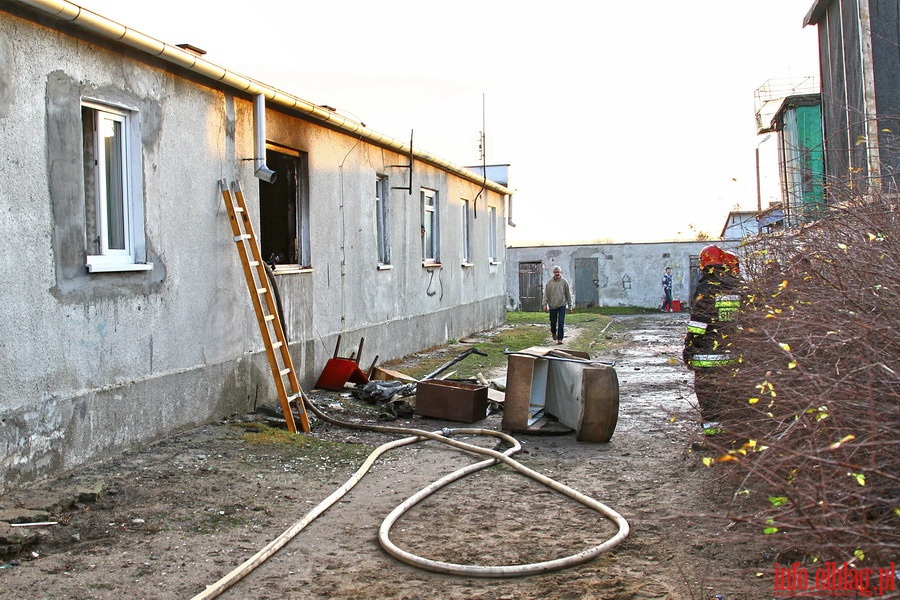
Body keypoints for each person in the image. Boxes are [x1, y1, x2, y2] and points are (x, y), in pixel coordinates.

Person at [682, 245, 742, 422]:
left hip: (707, 354)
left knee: (709, 398)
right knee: (728, 396)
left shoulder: (707, 288)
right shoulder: (738, 288)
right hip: (731, 352)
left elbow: (698, 324)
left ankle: (713, 436)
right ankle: (730, 434)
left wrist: (689, 347)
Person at [543, 266, 573, 345]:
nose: (557, 274)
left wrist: (570, 306)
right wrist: (544, 304)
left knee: (561, 322)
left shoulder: (564, 282)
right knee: (553, 322)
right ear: (553, 273)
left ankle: (560, 338)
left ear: (560, 272)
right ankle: (553, 332)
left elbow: (568, 294)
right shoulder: (549, 283)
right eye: (555, 272)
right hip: (552, 305)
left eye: (558, 272)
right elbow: (546, 294)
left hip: (562, 305)